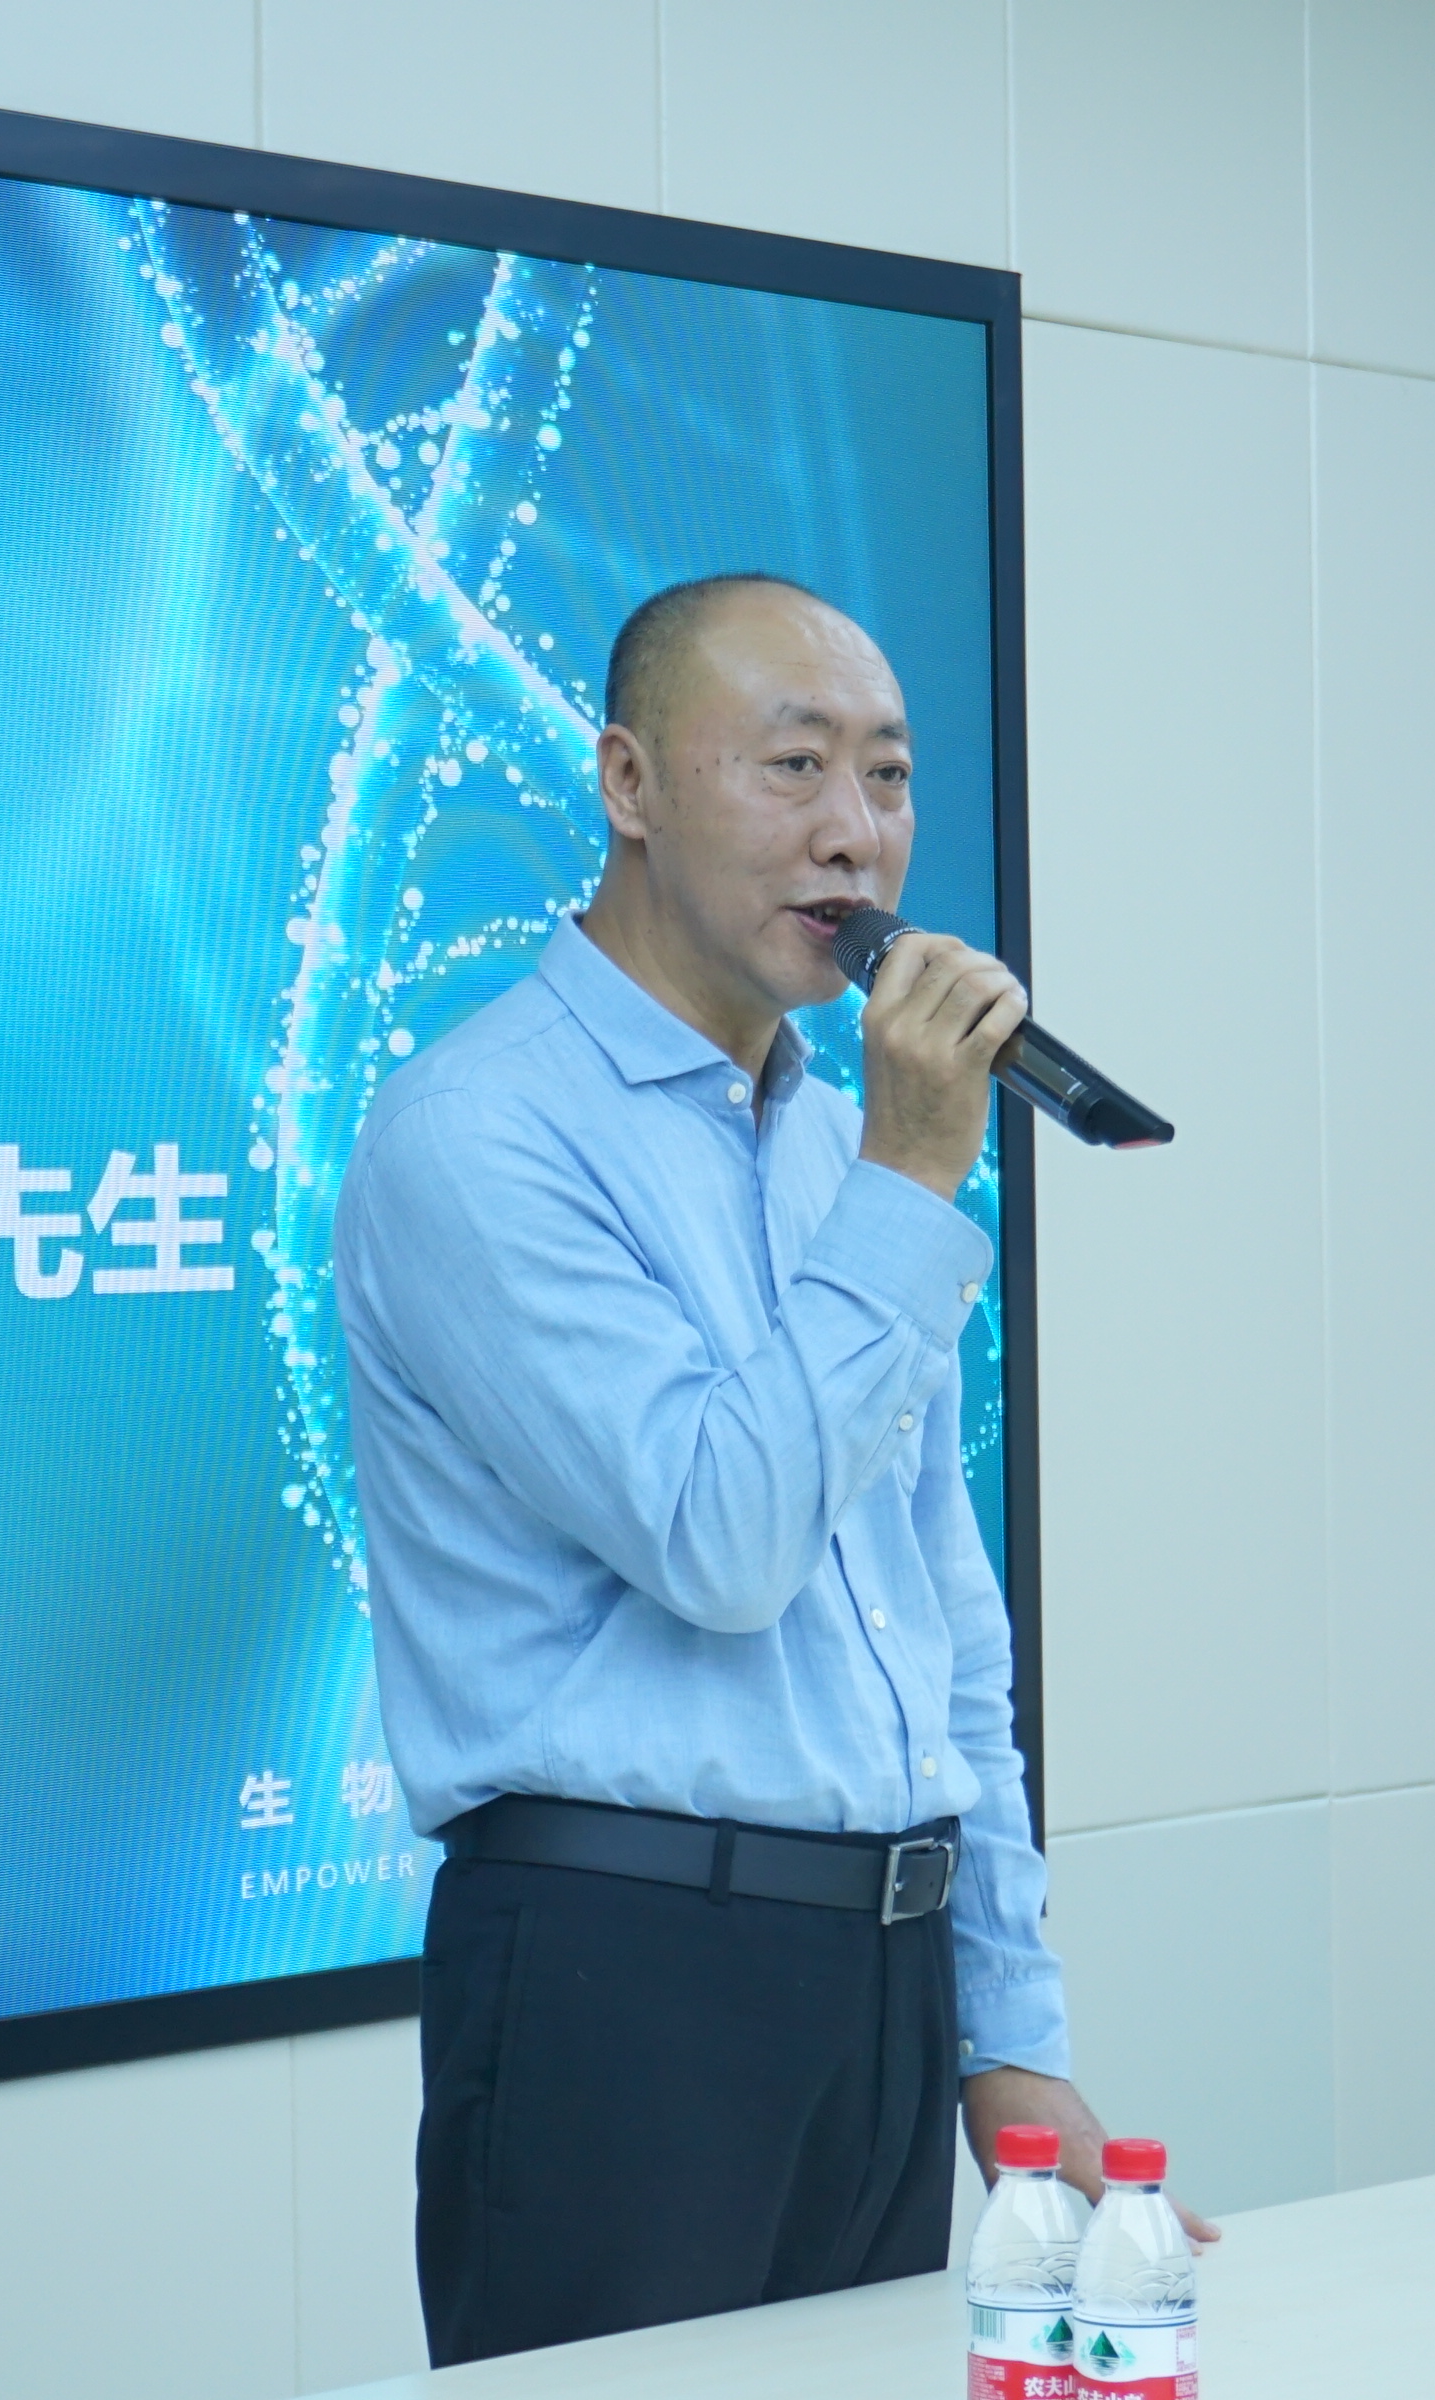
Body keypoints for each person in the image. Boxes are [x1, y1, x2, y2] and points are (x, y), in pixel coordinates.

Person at [333, 573, 1194, 2368]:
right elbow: (721, 1541)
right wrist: (912, 1174)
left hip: (881, 1978)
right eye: (793, 765)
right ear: (629, 784)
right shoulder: (480, 1134)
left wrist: (1007, 2030)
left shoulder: (832, 1145)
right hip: (624, 1986)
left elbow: (938, 1621)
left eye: (888, 775)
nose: (855, 833)